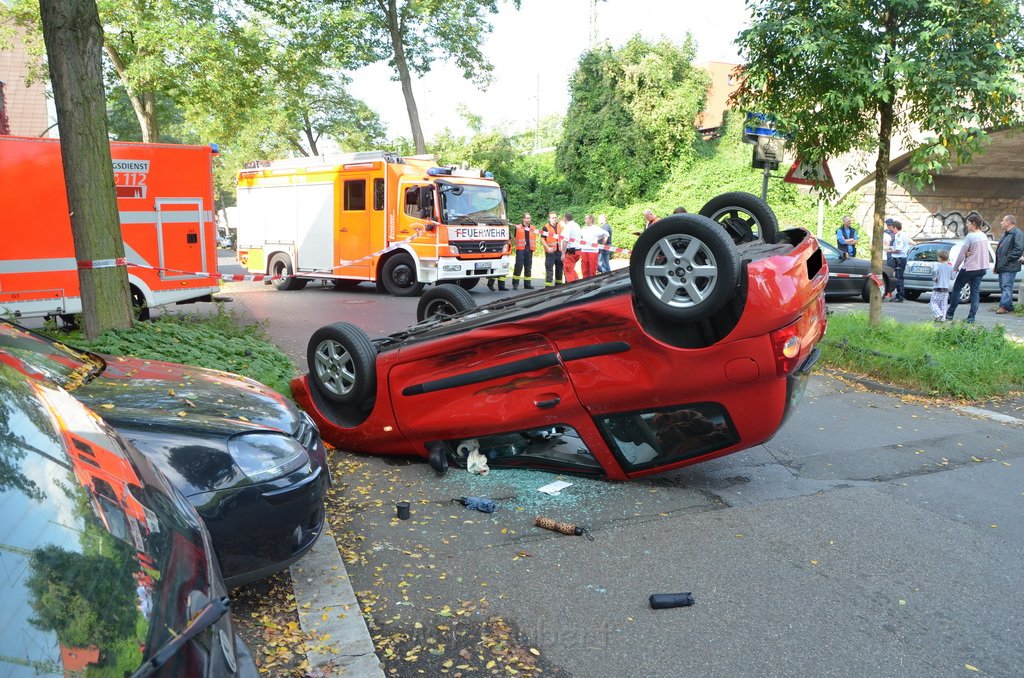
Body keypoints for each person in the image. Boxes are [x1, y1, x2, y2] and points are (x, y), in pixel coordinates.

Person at [946, 215, 990, 323]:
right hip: (982, 268)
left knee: (956, 288)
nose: (966, 224)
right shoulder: (984, 236)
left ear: (974, 224)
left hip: (970, 268)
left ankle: (949, 314)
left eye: (968, 223)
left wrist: (956, 266)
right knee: (975, 293)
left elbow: (962, 253)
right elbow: (978, 252)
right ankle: (971, 318)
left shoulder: (971, 236)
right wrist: (968, 253)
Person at [993, 214, 1024, 314]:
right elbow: (1000, 250)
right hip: (1003, 265)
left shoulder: (1017, 233)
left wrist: (1006, 259)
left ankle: (1004, 306)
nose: (1001, 222)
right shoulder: (1006, 233)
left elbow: (1018, 249)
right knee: (1003, 286)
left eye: (1003, 221)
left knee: (1006, 286)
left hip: (1010, 265)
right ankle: (1009, 306)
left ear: (1008, 222)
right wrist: (997, 265)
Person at [510, 212, 536, 290]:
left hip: (529, 249)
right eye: (527, 218)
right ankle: (515, 283)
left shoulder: (533, 228)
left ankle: (527, 284)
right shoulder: (518, 227)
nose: (528, 219)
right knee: (518, 266)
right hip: (521, 249)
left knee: (528, 267)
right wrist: (517, 245)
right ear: (523, 219)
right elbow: (514, 238)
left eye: (529, 218)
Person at [887, 220, 909, 302]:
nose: (891, 230)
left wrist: (890, 251)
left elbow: (898, 249)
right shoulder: (902, 235)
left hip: (899, 259)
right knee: (899, 277)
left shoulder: (899, 236)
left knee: (899, 278)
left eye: (892, 228)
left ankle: (900, 296)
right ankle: (899, 295)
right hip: (900, 258)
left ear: (895, 227)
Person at [539, 211, 563, 286]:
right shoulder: (545, 227)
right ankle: (548, 286)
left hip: (559, 250)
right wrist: (548, 247)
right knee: (549, 269)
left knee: (559, 269)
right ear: (549, 219)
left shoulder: (560, 226)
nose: (554, 219)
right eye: (553, 218)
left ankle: (558, 285)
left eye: (555, 217)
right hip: (550, 251)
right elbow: (542, 239)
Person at [930, 249, 953, 322]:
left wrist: (934, 278)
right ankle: (942, 320)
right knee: (943, 306)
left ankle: (938, 315)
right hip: (945, 289)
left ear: (939, 258)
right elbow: (953, 277)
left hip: (937, 288)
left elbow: (934, 272)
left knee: (933, 303)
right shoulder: (950, 267)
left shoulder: (937, 265)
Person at [580, 214, 606, 278]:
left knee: (592, 268)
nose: (585, 220)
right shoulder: (583, 228)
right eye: (585, 219)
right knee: (584, 268)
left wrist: (601, 245)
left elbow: (606, 234)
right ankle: (584, 281)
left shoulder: (596, 228)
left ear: (591, 219)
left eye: (586, 219)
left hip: (593, 251)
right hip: (584, 250)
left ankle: (593, 281)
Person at [561, 211, 582, 282]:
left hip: (570, 252)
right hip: (578, 251)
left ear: (565, 218)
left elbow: (565, 240)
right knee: (571, 269)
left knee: (568, 271)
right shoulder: (577, 225)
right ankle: (578, 283)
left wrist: (563, 253)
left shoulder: (567, 227)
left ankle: (572, 289)